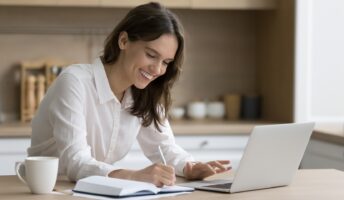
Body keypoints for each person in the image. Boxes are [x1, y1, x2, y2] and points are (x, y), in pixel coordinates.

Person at [28, 2, 230, 187]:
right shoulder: (74, 82)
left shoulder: (143, 92)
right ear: (123, 41)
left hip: (94, 191)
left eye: (166, 62)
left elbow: (164, 148)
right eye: (151, 55)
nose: (158, 70)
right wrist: (134, 176)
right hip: (50, 191)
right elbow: (75, 162)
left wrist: (189, 167)